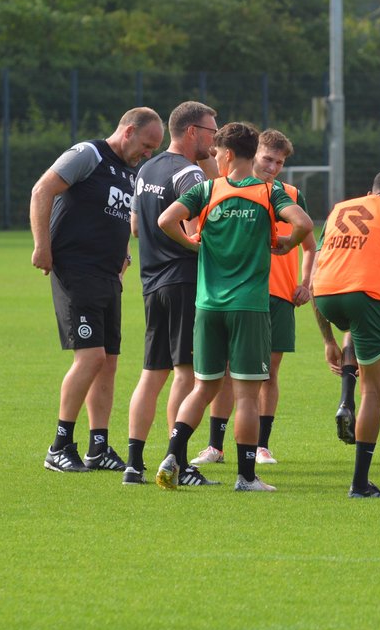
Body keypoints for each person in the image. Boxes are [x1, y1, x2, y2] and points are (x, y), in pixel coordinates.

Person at [154, 122, 313, 491]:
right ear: (250, 152)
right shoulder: (269, 192)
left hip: (207, 306)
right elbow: (303, 224)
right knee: (245, 394)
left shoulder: (207, 189)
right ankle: (246, 476)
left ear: (226, 154)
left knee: (203, 388)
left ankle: (172, 456)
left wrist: (194, 245)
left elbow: (165, 220)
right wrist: (288, 247)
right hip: (249, 307)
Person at [30, 107, 164, 473]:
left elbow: (118, 219)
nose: (148, 154)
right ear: (129, 130)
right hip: (76, 269)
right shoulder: (87, 154)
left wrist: (123, 257)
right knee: (89, 358)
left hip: (107, 275)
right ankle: (59, 446)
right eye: (147, 145)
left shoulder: (131, 173)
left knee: (108, 363)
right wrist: (42, 246)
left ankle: (99, 447)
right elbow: (42, 189)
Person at [198, 130, 318, 467]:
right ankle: (215, 445)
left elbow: (310, 243)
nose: (274, 167)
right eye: (268, 159)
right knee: (223, 372)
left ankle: (261, 445)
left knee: (268, 372)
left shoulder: (289, 195)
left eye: (280, 162)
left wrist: (305, 282)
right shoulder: (227, 189)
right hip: (238, 293)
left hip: (278, 296)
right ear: (254, 155)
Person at [122, 101, 217, 485]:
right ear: (192, 131)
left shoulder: (147, 168)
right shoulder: (188, 173)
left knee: (151, 374)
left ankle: (133, 463)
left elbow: (136, 228)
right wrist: (196, 247)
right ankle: (175, 461)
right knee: (186, 374)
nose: (215, 139)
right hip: (182, 280)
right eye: (212, 131)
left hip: (151, 282)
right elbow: (195, 227)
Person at [312, 170, 380, 498]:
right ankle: (360, 484)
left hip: (326, 295)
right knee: (373, 390)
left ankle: (344, 399)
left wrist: (328, 341)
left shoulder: (340, 208)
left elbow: (317, 271)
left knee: (354, 328)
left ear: (371, 191)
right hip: (365, 295)